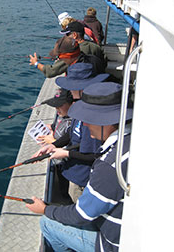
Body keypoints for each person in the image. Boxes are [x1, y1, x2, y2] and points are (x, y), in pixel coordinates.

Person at [26, 82, 133, 252]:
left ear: (107, 121)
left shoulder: (109, 166)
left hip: (112, 244)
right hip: (123, 227)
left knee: (47, 224)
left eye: (90, 120)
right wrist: (57, 147)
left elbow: (81, 215)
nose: (85, 125)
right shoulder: (129, 141)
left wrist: (45, 209)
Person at [34, 63, 110, 202]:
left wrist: (66, 153)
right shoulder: (80, 107)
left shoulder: (93, 116)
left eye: (71, 87)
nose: (69, 90)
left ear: (80, 88)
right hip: (73, 172)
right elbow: (73, 133)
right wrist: (54, 145)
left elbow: (96, 155)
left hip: (84, 180)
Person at [29, 36, 105, 78]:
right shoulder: (94, 59)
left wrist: (36, 63)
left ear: (69, 56)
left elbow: (50, 72)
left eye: (60, 56)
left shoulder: (76, 73)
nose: (58, 59)